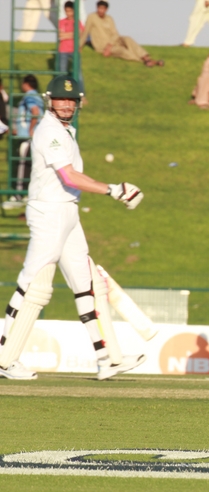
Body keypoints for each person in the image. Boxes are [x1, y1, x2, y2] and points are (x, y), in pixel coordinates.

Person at [0, 75, 146, 381]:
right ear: (49, 100)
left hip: (68, 212)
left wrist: (112, 189)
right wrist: (113, 189)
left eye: (71, 100)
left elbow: (73, 180)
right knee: (32, 287)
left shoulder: (66, 131)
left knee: (88, 285)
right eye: (61, 99)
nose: (66, 105)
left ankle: (107, 358)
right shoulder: (49, 132)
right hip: (49, 213)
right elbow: (69, 177)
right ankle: (4, 357)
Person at [82, 1, 164, 67]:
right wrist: (79, 46)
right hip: (102, 46)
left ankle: (146, 57)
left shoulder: (109, 18)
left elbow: (115, 33)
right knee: (122, 51)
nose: (100, 10)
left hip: (113, 42)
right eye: (99, 8)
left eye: (103, 9)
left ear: (106, 9)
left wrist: (110, 44)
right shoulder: (91, 17)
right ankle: (146, 61)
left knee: (127, 39)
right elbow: (86, 32)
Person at [13, 75, 43, 193]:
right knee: (30, 164)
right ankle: (28, 192)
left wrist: (30, 129)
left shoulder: (29, 96)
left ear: (26, 84)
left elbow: (35, 112)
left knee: (22, 163)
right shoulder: (37, 96)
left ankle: (18, 194)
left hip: (27, 137)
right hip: (31, 135)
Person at [58, 2, 85, 95]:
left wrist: (68, 35)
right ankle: (61, 92)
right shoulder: (61, 22)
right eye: (66, 11)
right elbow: (60, 35)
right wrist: (73, 34)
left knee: (78, 74)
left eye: (70, 11)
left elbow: (80, 34)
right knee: (62, 73)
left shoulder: (77, 22)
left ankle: (81, 94)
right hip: (63, 50)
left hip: (75, 50)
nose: (68, 13)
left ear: (73, 11)